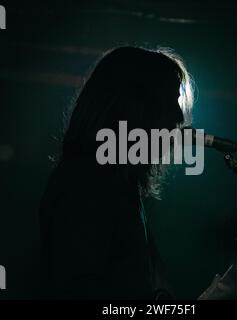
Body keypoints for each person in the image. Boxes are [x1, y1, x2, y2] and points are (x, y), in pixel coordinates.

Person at [38, 46, 194, 299]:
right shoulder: (86, 184)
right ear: (136, 108)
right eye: (170, 101)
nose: (178, 117)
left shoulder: (120, 186)